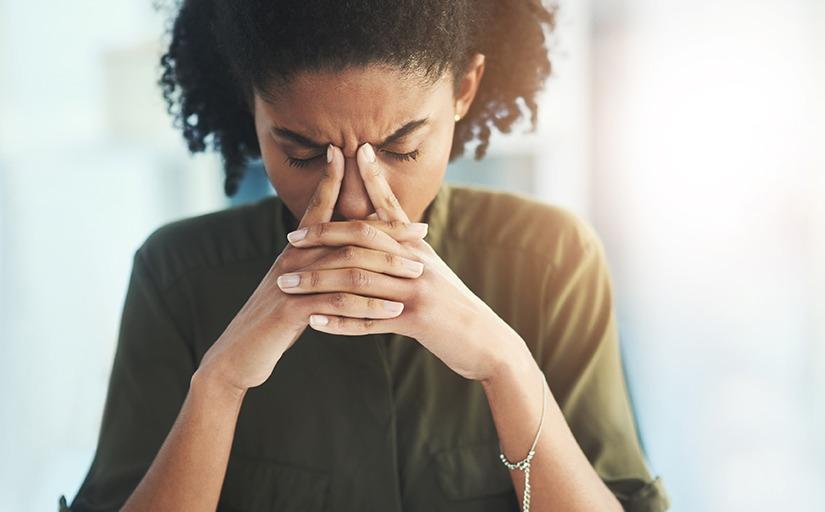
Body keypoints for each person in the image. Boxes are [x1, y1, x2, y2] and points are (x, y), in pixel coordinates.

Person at [59, 0, 670, 510]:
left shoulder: (551, 263)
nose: (353, 202)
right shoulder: (177, 277)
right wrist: (218, 386)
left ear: (464, 89)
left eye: (400, 148)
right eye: (303, 153)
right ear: (253, 108)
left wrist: (506, 365)